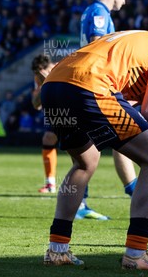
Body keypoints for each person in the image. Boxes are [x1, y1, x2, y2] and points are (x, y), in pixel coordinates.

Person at [41, 30, 148, 269]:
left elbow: (124, 106)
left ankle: (57, 249)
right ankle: (136, 253)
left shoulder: (139, 49)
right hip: (90, 85)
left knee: (85, 162)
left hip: (55, 86)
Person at [80, 0, 148, 217]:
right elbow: (96, 47)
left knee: (109, 139)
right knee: (101, 141)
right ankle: (84, 202)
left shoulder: (93, 11)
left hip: (90, 82)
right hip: (95, 83)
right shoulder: (99, 13)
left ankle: (131, 191)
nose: (124, 1)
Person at [31, 55, 110, 220]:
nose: (39, 76)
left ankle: (80, 202)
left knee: (81, 158)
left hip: (77, 109)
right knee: (56, 143)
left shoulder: (63, 67)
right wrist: (43, 85)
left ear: (48, 67)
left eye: (41, 73)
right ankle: (54, 185)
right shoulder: (39, 76)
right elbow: (36, 104)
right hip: (60, 113)